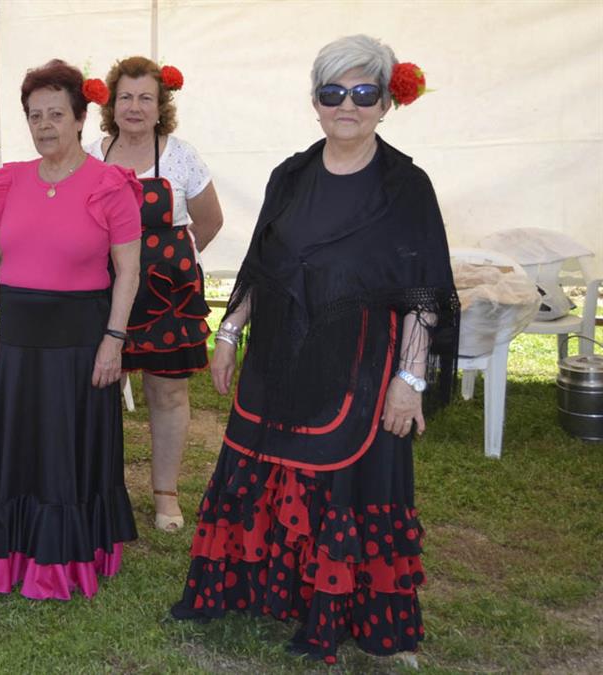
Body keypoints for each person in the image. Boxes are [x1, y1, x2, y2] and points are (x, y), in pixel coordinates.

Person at [170, 36, 457, 665]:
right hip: (278, 355)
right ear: (316, 103)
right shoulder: (291, 175)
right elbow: (260, 263)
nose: (346, 105)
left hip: (358, 368)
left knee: (342, 483)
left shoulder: (405, 185)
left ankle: (339, 614)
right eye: (333, 93)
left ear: (386, 102)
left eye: (362, 93)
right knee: (257, 467)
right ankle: (258, 593)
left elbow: (424, 290)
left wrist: (409, 378)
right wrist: (227, 333)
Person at [0, 60, 142, 600]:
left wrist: (114, 340)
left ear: (80, 118)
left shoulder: (110, 186)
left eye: (57, 113)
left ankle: (64, 559)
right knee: (11, 450)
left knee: (65, 455)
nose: (45, 125)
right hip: (18, 339)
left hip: (81, 344)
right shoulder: (10, 180)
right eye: (35, 115)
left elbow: (129, 270)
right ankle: (5, 552)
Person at [86, 56, 224, 532]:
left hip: (170, 298)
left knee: (167, 394)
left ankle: (165, 493)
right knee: (100, 392)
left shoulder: (182, 156)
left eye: (146, 98)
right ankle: (103, 488)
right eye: (126, 97)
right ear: (112, 104)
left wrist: (172, 260)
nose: (135, 107)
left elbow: (210, 222)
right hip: (104, 293)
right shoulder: (92, 155)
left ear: (160, 105)